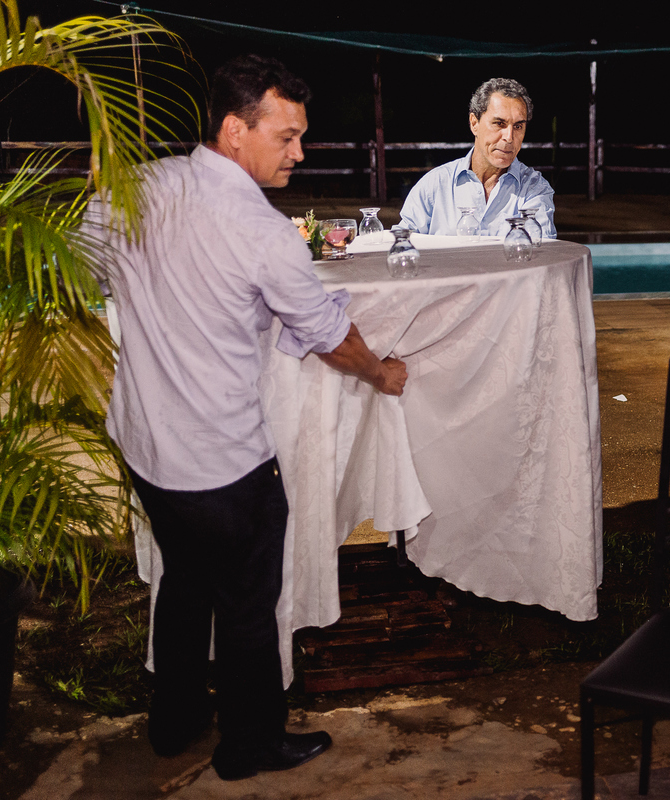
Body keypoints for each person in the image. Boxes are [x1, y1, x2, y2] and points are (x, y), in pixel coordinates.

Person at [87, 55, 408, 780]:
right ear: (236, 130)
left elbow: (82, 263)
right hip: (225, 463)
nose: (299, 151)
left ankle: (173, 722)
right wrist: (383, 373)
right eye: (287, 136)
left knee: (182, 582)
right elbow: (331, 337)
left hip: (146, 450)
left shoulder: (134, 185)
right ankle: (250, 745)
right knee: (245, 609)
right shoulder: (261, 231)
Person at [397, 77, 556, 238]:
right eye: (499, 124)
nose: (509, 137)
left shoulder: (534, 189)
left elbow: (539, 253)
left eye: (518, 126)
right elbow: (401, 247)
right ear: (474, 123)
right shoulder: (435, 186)